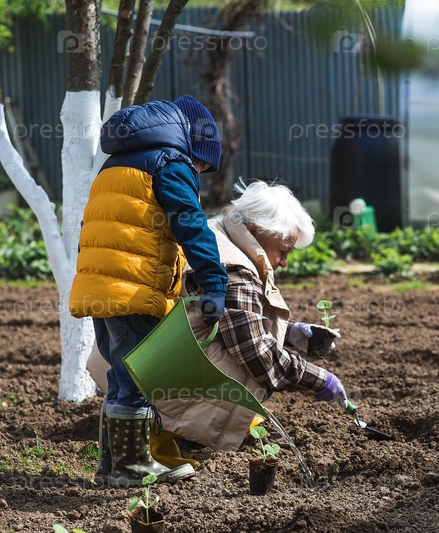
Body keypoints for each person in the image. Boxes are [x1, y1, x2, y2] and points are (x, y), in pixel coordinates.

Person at [68, 96, 229, 487]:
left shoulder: (116, 164)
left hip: (102, 286)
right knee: (138, 378)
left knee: (121, 376)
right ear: (194, 148)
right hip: (134, 288)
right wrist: (213, 280)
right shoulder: (169, 163)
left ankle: (111, 467)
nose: (199, 174)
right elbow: (191, 223)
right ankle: (132, 467)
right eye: (202, 166)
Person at [152, 180, 347, 464]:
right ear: (256, 230)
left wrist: (291, 333)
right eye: (283, 250)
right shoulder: (235, 270)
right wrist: (319, 380)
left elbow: (230, 319)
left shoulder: (219, 231)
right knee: (251, 369)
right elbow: (257, 352)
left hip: (150, 358)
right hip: (162, 375)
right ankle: (188, 427)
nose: (284, 262)